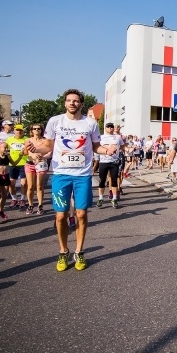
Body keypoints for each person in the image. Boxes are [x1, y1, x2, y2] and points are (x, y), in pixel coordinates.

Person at [25, 89, 117, 272]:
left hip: (82, 175)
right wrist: (35, 150)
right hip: (61, 174)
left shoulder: (90, 123)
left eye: (76, 101)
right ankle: (63, 251)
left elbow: (96, 146)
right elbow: (48, 146)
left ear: (81, 104)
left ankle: (79, 251)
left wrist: (107, 150)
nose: (72, 103)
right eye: (69, 100)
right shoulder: (55, 121)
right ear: (65, 103)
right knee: (60, 216)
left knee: (81, 214)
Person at [23, 123, 51, 214]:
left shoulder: (45, 141)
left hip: (41, 164)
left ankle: (40, 205)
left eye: (38, 128)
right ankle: (30, 205)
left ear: (41, 130)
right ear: (31, 130)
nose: (36, 130)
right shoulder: (28, 140)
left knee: (39, 186)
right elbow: (25, 152)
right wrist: (32, 156)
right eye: (34, 129)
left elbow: (50, 152)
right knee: (30, 186)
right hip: (30, 164)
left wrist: (43, 157)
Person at [96, 123, 125, 208]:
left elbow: (122, 146)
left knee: (114, 180)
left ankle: (114, 199)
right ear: (105, 128)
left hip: (114, 162)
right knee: (102, 180)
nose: (110, 128)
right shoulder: (101, 137)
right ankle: (100, 198)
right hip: (103, 161)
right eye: (108, 127)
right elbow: (97, 147)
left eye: (111, 127)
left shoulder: (118, 137)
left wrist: (125, 149)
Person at [6, 124, 29, 209]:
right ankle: (14, 199)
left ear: (23, 131)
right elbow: (5, 150)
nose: (18, 132)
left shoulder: (27, 139)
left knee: (24, 183)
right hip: (12, 164)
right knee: (11, 183)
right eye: (17, 130)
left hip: (24, 163)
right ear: (14, 131)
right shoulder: (9, 140)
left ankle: (22, 199)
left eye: (20, 130)